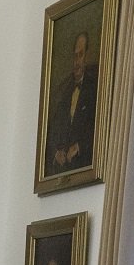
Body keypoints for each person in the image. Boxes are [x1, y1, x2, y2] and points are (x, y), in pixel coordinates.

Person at [45, 31, 97, 172]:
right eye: (75, 56)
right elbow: (52, 132)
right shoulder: (65, 92)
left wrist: (79, 146)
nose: (76, 62)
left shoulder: (94, 90)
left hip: (82, 164)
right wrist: (56, 152)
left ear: (87, 57)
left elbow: (97, 129)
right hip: (63, 169)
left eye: (80, 55)